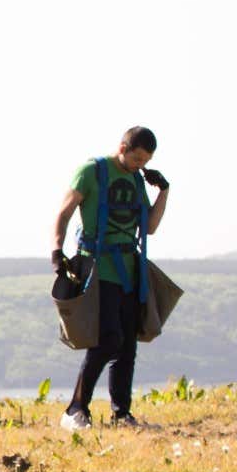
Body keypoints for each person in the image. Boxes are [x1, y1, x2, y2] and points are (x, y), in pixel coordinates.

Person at [50, 125, 171, 429]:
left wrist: (164, 192)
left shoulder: (135, 179)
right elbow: (64, 212)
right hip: (97, 269)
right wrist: (56, 250)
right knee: (108, 340)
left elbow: (150, 226)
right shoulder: (92, 171)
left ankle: (121, 413)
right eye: (136, 158)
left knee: (127, 344)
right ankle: (75, 409)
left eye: (145, 161)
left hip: (130, 271)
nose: (139, 166)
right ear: (123, 147)